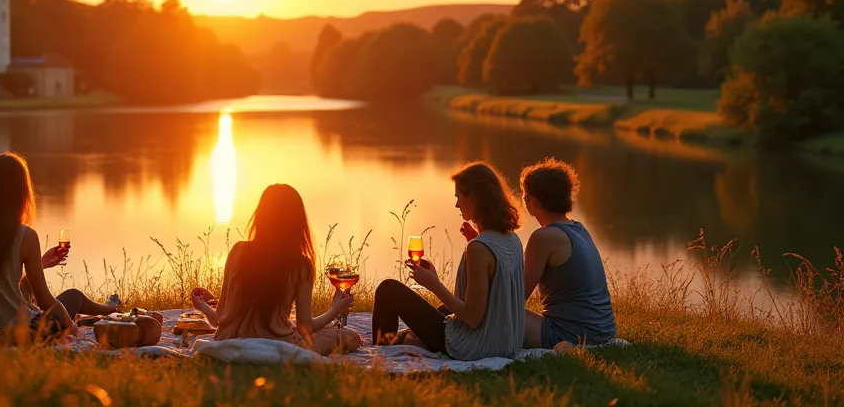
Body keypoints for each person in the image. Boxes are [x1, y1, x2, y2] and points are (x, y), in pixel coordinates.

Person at [0, 152, 118, 342]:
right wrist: (70, 328)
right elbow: (45, 300)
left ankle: (110, 309)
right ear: (20, 193)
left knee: (72, 298)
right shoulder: (25, 235)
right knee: (73, 298)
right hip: (20, 333)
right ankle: (111, 311)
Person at [371, 162, 525, 360]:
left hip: (477, 346)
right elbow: (493, 289)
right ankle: (410, 337)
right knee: (443, 311)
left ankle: (383, 355)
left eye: (458, 198)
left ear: (473, 199)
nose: (456, 205)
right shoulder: (512, 239)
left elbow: (472, 318)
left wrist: (434, 284)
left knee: (388, 289)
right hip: (507, 341)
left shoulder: (478, 249)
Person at [189, 184, 362, 356]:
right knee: (351, 337)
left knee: (289, 326)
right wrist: (335, 309)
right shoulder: (301, 264)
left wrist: (204, 307)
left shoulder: (238, 251)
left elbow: (220, 317)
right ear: (297, 221)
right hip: (280, 346)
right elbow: (305, 327)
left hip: (227, 340)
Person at [519, 158, 616, 348]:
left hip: (570, 334)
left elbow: (516, 296)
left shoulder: (543, 237)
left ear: (533, 202)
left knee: (495, 312)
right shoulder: (579, 229)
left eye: (523, 196)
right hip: (603, 332)